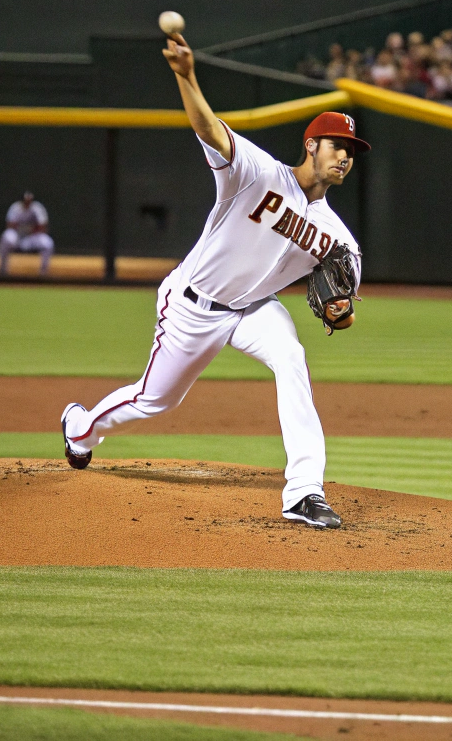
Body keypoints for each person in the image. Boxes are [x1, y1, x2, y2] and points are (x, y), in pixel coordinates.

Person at [60, 32, 369, 529]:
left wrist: (340, 311)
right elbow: (209, 129)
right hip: (193, 304)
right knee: (155, 400)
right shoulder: (256, 173)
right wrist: (187, 76)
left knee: (291, 358)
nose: (346, 156)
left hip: (254, 309)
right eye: (338, 145)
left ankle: (304, 492)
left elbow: (344, 309)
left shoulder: (339, 239)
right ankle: (80, 427)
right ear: (312, 145)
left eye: (352, 150)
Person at [0, 191, 54, 275]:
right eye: (26, 200)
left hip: (32, 238)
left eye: (29, 200)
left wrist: (31, 229)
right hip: (17, 236)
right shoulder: (15, 207)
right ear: (22, 200)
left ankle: (43, 273)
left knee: (47, 243)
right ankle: (2, 271)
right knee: (6, 236)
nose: (27, 202)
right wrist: (23, 228)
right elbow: (9, 225)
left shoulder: (37, 208)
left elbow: (43, 226)